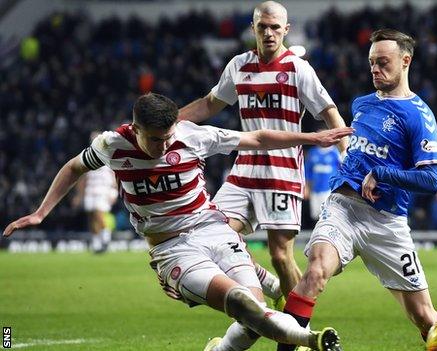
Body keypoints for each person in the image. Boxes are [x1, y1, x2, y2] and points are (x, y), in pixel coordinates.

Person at [3, 93, 351, 351]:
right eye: (155, 139)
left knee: (254, 318)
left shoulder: (190, 135)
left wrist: (313, 137)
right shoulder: (112, 145)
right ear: (135, 128)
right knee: (245, 305)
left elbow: (257, 139)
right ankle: (314, 339)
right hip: (171, 249)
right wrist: (41, 211)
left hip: (213, 229)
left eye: (168, 136)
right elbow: (74, 167)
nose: (165, 144)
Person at [277, 29, 437, 351]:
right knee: (314, 272)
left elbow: (432, 180)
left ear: (405, 61)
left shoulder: (419, 116)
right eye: (371, 63)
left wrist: (381, 174)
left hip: (387, 223)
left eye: (383, 62)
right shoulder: (362, 104)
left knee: (424, 316)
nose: (375, 70)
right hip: (342, 208)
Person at [178, 1, 349, 301]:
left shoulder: (298, 69)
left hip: (282, 172)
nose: (269, 33)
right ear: (253, 28)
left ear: (286, 29)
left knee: (281, 256)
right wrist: (168, 122)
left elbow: (329, 112)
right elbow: (209, 104)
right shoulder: (239, 65)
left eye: (274, 27)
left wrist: (347, 156)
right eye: (262, 27)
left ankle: (299, 329)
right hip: (244, 169)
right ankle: (272, 288)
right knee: (211, 235)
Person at [73, 131, 118, 253]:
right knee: (92, 217)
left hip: (102, 191)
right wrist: (79, 195)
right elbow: (83, 178)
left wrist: (114, 192)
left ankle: (105, 238)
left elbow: (115, 175)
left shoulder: (109, 156)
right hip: (90, 191)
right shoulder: (87, 156)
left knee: (100, 215)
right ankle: (97, 243)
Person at [304, 142, 341, 220]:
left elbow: (341, 170)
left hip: (329, 189)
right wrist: (306, 187)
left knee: (328, 214)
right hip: (315, 188)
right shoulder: (312, 152)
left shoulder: (335, 152)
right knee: (315, 215)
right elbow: (307, 171)